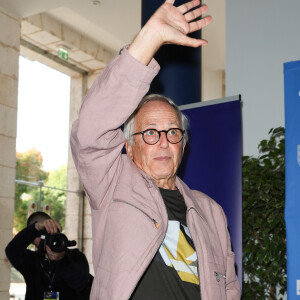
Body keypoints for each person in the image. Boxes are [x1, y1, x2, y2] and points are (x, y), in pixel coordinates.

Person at [70, 0, 241, 299]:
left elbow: (227, 287)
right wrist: (150, 39)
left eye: (173, 132)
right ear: (129, 146)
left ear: (183, 145)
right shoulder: (112, 183)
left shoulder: (211, 211)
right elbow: (90, 131)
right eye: (150, 132)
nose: (163, 141)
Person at [5, 211, 92, 300]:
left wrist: (61, 260)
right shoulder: (30, 260)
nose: (45, 237)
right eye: (39, 234)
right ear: (32, 239)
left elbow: (80, 284)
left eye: (48, 231)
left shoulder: (75, 256)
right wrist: (35, 228)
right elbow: (12, 250)